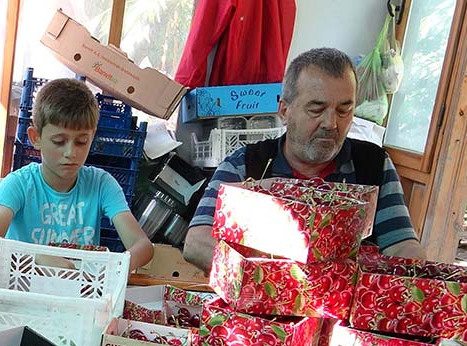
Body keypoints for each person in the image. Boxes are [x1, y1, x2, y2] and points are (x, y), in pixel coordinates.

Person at [182, 47, 427, 273]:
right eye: (316, 109)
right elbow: (197, 243)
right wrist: (273, 281)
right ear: (285, 111)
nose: (331, 124)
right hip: (258, 307)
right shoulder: (245, 164)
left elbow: (403, 247)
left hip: (341, 309)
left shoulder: (372, 165)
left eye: (344, 110)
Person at [0, 78, 155, 270]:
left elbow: (143, 246)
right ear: (35, 137)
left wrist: (117, 266)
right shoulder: (18, 184)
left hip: (80, 291)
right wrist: (35, 257)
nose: (71, 152)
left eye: (81, 142)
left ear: (92, 137)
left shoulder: (102, 184)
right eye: (59, 141)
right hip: (23, 289)